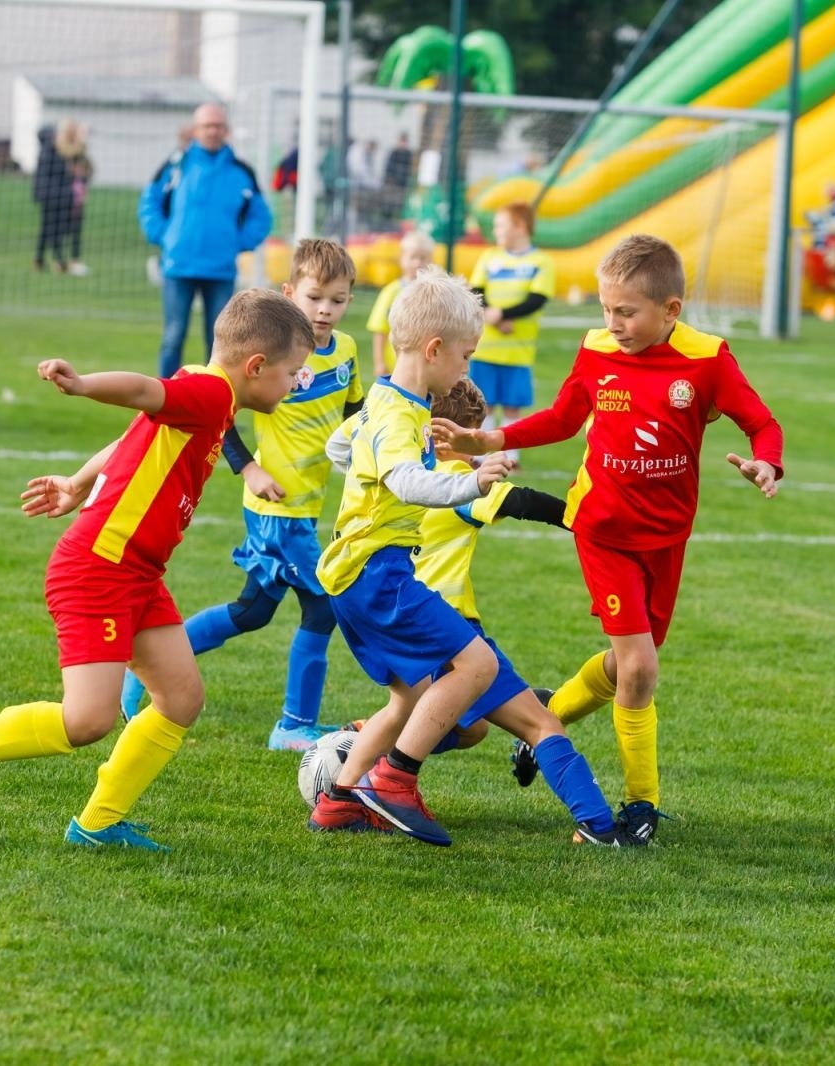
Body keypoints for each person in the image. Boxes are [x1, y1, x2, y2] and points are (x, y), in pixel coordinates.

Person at [0, 290, 314, 851]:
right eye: (292, 373)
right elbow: (144, 391)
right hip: (99, 568)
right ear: (255, 367)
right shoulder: (211, 393)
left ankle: (96, 824)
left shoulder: (210, 393)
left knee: (181, 698)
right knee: (87, 720)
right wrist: (84, 383)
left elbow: (131, 436)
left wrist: (76, 481)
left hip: (137, 572)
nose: (296, 385)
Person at [437, 234, 784, 844]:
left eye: (627, 312)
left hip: (667, 537)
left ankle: (543, 726)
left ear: (671, 310)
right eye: (606, 309)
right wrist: (491, 440)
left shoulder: (707, 359)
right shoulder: (597, 350)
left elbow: (762, 422)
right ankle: (641, 808)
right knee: (641, 668)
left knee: (632, 668)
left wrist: (767, 463)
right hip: (602, 528)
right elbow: (565, 418)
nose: (612, 323)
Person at [332, 379, 641, 845]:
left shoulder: (399, 468)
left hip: (395, 617)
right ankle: (599, 827)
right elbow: (521, 502)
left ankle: (342, 796)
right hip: (450, 629)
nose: (471, 449)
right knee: (541, 723)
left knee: (466, 725)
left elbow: (342, 444)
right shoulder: (456, 484)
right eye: (468, 436)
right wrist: (586, 519)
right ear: (447, 433)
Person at [120, 239, 362, 750]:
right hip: (275, 510)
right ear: (290, 293)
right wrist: (248, 467)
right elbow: (220, 410)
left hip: (309, 505)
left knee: (253, 611)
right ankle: (293, 726)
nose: (325, 310)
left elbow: (352, 415)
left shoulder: (347, 351)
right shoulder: (273, 356)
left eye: (338, 300)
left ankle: (145, 664)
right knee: (324, 605)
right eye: (315, 297)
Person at [306, 267, 513, 846]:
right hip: (379, 572)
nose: (466, 370)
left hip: (351, 574)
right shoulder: (400, 415)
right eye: (466, 357)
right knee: (478, 667)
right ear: (435, 348)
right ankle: (393, 781)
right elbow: (405, 481)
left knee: (411, 695)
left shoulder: (385, 399)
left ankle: (339, 800)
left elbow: (339, 444)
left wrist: (363, 470)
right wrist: (472, 484)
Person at [138, 103, 272, 377]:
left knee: (222, 344)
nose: (213, 131)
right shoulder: (176, 166)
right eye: (207, 126)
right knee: (173, 337)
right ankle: (162, 405)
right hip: (178, 266)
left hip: (220, 269)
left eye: (218, 126)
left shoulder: (242, 171)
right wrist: (164, 236)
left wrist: (238, 241)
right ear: (195, 129)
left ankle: (217, 407)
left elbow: (261, 216)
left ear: (227, 130)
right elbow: (149, 201)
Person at [468, 202, 555, 466]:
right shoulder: (489, 258)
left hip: (517, 352)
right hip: (484, 348)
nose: (496, 231)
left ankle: (510, 456)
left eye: (500, 225)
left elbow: (537, 299)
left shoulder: (540, 262)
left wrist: (503, 315)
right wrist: (493, 315)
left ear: (520, 226)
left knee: (511, 405)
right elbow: (475, 291)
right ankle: (478, 454)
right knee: (483, 404)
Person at [365, 229, 436, 381]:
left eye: (423, 258)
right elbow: (380, 329)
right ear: (402, 258)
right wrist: (379, 362)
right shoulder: (391, 292)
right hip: (396, 364)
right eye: (413, 257)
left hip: (427, 364)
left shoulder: (435, 293)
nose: (418, 262)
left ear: (431, 260)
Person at [31, 124, 75, 273]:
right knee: (54, 229)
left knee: (46, 229)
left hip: (50, 197)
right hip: (53, 198)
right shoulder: (51, 154)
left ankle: (39, 259)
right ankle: (59, 260)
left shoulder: (46, 153)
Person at [59, 120, 93, 277]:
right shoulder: (62, 146)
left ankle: (75, 260)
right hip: (64, 194)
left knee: (76, 229)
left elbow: (88, 167)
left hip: (78, 192)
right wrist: (82, 138)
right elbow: (69, 153)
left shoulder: (80, 152)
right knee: (61, 228)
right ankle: (60, 260)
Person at [380, 133, 414, 230]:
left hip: (402, 185)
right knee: (388, 208)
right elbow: (388, 169)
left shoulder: (408, 154)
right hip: (393, 186)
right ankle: (385, 227)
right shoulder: (393, 152)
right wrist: (391, 182)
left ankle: (396, 228)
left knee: (399, 209)